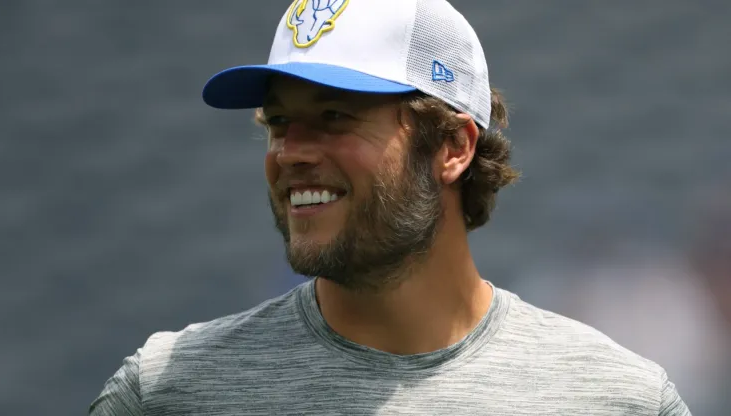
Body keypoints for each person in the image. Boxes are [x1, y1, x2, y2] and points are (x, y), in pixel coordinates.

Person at [89, 0, 691, 414]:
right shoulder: (168, 392)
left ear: (453, 146)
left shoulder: (617, 400)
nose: (291, 152)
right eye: (278, 123)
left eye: (333, 117)